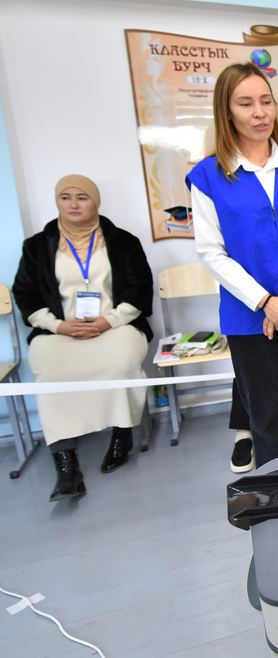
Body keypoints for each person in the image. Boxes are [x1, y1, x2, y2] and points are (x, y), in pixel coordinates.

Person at [188, 62, 278, 469]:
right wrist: (265, 301)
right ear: (227, 112)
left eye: (266, 101)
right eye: (246, 103)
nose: (260, 113)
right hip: (249, 314)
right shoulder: (208, 178)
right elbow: (211, 252)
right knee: (265, 415)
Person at [13, 175, 153, 501]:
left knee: (121, 361)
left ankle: (122, 433)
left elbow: (139, 290)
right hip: (60, 331)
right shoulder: (36, 246)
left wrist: (108, 321)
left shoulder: (123, 242)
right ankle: (65, 462)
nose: (73, 205)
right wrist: (59, 326)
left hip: (116, 326)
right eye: (65, 197)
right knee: (50, 370)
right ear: (57, 201)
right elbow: (26, 294)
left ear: (96, 202)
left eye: (82, 197)